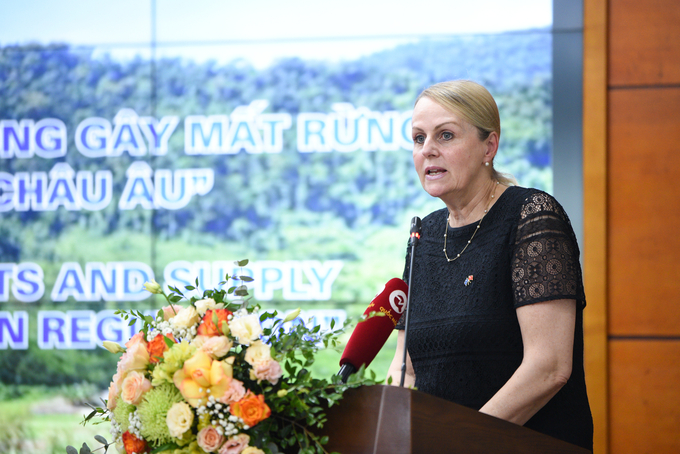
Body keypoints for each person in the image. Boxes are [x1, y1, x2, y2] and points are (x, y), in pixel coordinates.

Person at [386, 80, 593, 451]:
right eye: (418, 139)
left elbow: (549, 367)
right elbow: (405, 368)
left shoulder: (531, 217)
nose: (428, 150)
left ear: (489, 146)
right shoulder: (425, 234)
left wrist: (461, 441)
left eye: (445, 135)